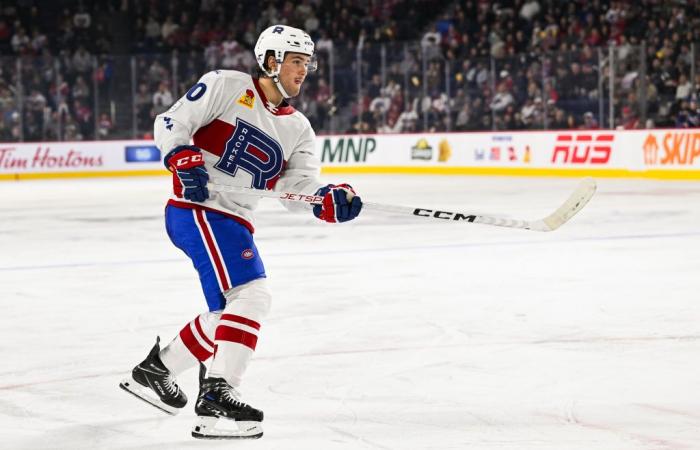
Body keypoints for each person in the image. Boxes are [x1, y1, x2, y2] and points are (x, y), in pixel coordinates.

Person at [120, 25, 362, 440]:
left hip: (234, 222)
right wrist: (180, 155)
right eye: (296, 62)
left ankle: (155, 370)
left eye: (307, 63)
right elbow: (172, 121)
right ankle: (217, 396)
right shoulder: (226, 85)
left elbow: (293, 190)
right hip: (198, 209)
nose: (304, 72)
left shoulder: (298, 128)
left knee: (229, 314)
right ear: (271, 60)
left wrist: (327, 198)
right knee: (252, 296)